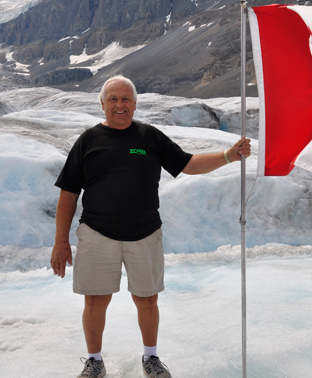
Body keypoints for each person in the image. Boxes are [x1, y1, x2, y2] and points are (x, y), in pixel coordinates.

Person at [50, 75, 251, 378]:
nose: (120, 105)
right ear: (103, 104)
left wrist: (228, 155)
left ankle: (151, 358)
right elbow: (68, 194)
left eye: (126, 99)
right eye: (113, 99)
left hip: (145, 234)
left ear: (134, 103)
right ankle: (94, 361)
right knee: (95, 300)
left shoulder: (150, 137)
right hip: (96, 233)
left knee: (147, 300)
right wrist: (60, 242)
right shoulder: (88, 141)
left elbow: (188, 164)